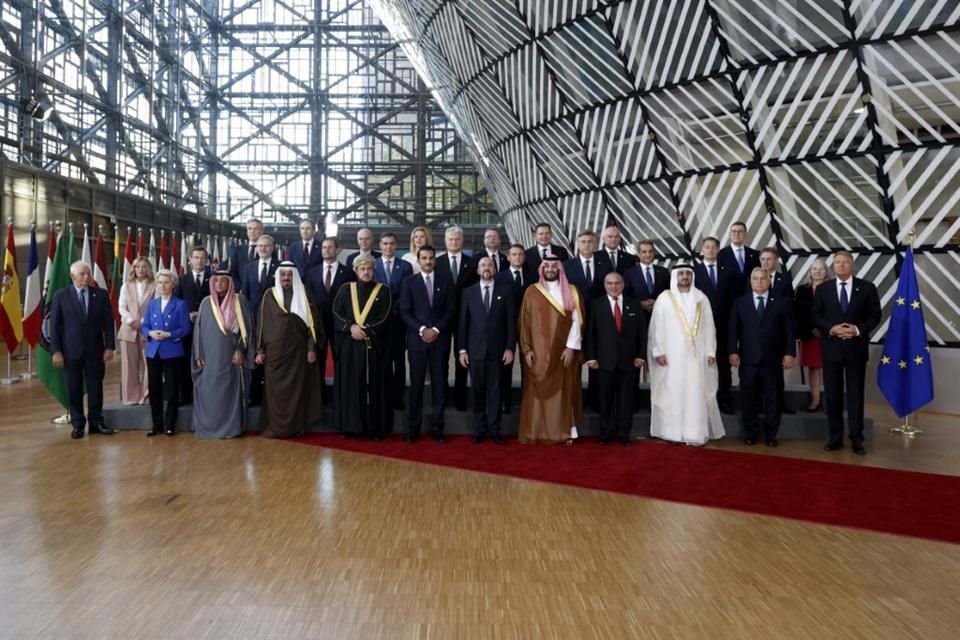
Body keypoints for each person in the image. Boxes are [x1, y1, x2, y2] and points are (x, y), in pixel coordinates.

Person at [647, 262, 724, 445]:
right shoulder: (665, 298)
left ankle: (694, 432)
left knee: (695, 392)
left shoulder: (701, 298)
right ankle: (671, 432)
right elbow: (657, 327)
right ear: (675, 276)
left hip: (696, 356)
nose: (684, 277)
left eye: (687, 273)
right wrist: (658, 351)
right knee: (672, 392)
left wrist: (711, 351)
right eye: (681, 273)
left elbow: (709, 326)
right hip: (671, 356)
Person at [812, 251, 881, 455]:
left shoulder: (867, 287)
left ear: (852, 264)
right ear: (833, 266)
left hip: (856, 349)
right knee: (832, 396)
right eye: (837, 262)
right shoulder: (823, 289)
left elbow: (875, 314)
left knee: (855, 396)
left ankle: (857, 439)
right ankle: (835, 438)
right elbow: (815, 315)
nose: (840, 265)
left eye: (845, 262)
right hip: (831, 348)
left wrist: (857, 329)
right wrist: (832, 329)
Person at [517, 256, 583, 445]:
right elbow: (524, 322)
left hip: (563, 352)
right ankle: (537, 432)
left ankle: (564, 433)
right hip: (538, 352)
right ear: (542, 269)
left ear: (560, 269)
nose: (551, 269)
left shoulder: (571, 291)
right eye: (547, 266)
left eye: (555, 266)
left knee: (563, 391)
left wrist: (571, 348)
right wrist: (527, 348)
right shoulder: (532, 291)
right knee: (537, 393)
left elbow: (576, 322)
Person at [728, 268, 796, 447]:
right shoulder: (739, 303)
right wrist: (732, 351)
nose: (759, 282)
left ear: (769, 281)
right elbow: (733, 330)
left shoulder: (782, 303)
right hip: (748, 361)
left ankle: (771, 434)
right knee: (748, 399)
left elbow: (789, 331)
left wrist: (790, 353)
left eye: (762, 279)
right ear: (750, 282)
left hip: (773, 361)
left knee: (773, 399)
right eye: (755, 279)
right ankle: (751, 432)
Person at [255, 262, 324, 438]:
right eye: (283, 275)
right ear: (278, 276)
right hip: (274, 354)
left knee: (296, 392)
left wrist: (311, 348)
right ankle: (276, 427)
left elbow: (312, 325)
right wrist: (260, 350)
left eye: (289, 275)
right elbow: (261, 325)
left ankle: (296, 427)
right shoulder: (269, 295)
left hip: (298, 353)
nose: (286, 278)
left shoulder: (304, 294)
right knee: (275, 393)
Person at [50, 261, 118, 439]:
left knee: (96, 388)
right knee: (74, 388)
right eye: (82, 274)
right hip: (70, 351)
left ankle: (96, 422)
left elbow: (109, 324)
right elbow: (54, 326)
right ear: (73, 276)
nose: (86, 277)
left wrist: (110, 346)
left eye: (88, 274)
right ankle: (78, 424)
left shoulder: (101, 295)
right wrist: (56, 351)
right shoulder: (61, 296)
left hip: (95, 351)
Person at [399, 245, 456, 443]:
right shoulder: (409, 283)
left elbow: (451, 310)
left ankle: (438, 428)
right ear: (419, 259)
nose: (428, 261)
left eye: (431, 258)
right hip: (417, 342)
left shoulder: (446, 282)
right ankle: (413, 428)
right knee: (415, 386)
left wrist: (436, 330)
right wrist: (423, 330)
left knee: (440, 386)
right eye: (424, 258)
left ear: (435, 260)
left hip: (440, 342)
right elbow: (405, 311)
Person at [332, 255, 393, 439]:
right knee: (351, 386)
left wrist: (365, 330)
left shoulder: (384, 291)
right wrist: (350, 327)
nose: (366, 272)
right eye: (362, 269)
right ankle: (350, 426)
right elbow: (336, 312)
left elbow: (385, 317)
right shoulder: (345, 289)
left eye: (369, 269)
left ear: (374, 270)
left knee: (373, 387)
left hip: (373, 346)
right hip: (350, 346)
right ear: (356, 271)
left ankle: (374, 428)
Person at [457, 257, 516, 444]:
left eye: (490, 265)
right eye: (483, 265)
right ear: (478, 270)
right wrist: (462, 350)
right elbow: (463, 324)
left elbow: (511, 323)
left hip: (498, 353)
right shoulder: (468, 292)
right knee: (477, 392)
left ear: (495, 269)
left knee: (495, 392)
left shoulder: (506, 291)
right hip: (474, 352)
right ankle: (480, 429)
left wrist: (509, 348)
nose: (486, 268)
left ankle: (495, 429)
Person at [584, 272, 647, 445]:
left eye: (617, 283)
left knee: (626, 402)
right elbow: (590, 333)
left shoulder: (634, 304)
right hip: (604, 362)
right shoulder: (596, 304)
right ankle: (606, 435)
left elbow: (643, 333)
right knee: (605, 401)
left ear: (623, 284)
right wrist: (591, 358)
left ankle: (623, 435)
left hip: (629, 363)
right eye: (610, 283)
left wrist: (641, 356)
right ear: (605, 285)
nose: (614, 286)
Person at [191, 271, 256, 439]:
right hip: (210, 359)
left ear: (230, 282)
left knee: (230, 393)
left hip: (232, 358)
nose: (219, 283)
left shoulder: (239, 301)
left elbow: (247, 330)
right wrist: (199, 354)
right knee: (210, 392)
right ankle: (210, 427)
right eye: (216, 280)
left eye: (223, 280)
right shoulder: (206, 303)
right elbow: (198, 331)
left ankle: (231, 428)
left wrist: (241, 350)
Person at [305, 237, 356, 403]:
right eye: (324, 247)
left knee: (340, 359)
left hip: (340, 325)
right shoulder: (312, 272)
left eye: (330, 247)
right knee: (317, 360)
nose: (326, 250)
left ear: (337, 249)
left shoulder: (348, 273)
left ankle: (340, 396)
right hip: (317, 324)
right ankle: (317, 398)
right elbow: (308, 300)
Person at [141, 269, 192, 437]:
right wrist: (150, 333)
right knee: (154, 388)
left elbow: (186, 328)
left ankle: (169, 425)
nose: (163, 286)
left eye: (166, 282)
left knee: (171, 389)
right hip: (153, 350)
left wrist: (170, 334)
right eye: (160, 282)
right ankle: (156, 424)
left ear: (173, 284)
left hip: (172, 350)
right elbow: (145, 325)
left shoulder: (180, 304)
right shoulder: (152, 304)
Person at [435, 225, 478, 411]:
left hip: (465, 318)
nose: (454, 242)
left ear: (462, 241)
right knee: (441, 359)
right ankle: (442, 396)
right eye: (451, 239)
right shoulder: (437, 262)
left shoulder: (472, 262)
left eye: (457, 239)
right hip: (442, 318)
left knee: (462, 358)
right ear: (445, 241)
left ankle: (460, 398)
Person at [694, 236, 737, 413]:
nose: (710, 250)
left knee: (723, 363)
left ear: (718, 250)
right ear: (702, 250)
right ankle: (703, 400)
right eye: (707, 247)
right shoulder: (694, 271)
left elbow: (734, 298)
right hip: (701, 327)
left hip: (724, 325)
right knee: (702, 363)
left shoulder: (729, 270)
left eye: (713, 247)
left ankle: (724, 399)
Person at [374, 233, 413, 410]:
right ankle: (383, 396)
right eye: (385, 244)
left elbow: (406, 293)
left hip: (397, 321)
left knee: (398, 360)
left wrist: (393, 310)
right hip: (378, 322)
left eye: (391, 243)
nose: (388, 247)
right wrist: (382, 313)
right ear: (380, 246)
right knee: (382, 360)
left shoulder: (404, 266)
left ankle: (398, 398)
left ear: (396, 245)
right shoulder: (372, 265)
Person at [174, 245, 211, 405]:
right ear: (190, 260)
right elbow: (176, 303)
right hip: (187, 328)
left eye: (203, 258)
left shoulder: (214, 279)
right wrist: (187, 315)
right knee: (185, 361)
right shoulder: (181, 280)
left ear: (207, 260)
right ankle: (186, 395)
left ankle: (206, 394)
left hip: (208, 327)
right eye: (196, 257)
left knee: (207, 360)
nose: (199, 261)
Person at [495, 243, 529, 414]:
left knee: (528, 364)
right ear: (508, 257)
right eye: (514, 254)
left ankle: (527, 402)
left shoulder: (532, 277)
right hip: (504, 328)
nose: (517, 257)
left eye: (520, 254)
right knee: (504, 365)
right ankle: (504, 402)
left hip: (527, 327)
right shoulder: (499, 278)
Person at [117, 256, 155, 405]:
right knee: (129, 366)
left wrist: (143, 323)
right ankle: (131, 398)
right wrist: (130, 321)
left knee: (149, 365)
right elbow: (121, 307)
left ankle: (145, 397)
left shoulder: (155, 286)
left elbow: (156, 307)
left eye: (144, 266)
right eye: (137, 266)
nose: (140, 269)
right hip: (128, 330)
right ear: (133, 268)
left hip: (148, 330)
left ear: (149, 269)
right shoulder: (126, 286)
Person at [794, 259, 829, 412]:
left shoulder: (832, 289)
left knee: (830, 368)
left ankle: (830, 401)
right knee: (814, 368)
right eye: (814, 268)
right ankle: (815, 400)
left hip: (829, 335)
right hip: (809, 335)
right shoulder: (802, 290)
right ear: (810, 272)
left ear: (826, 272)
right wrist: (812, 329)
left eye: (821, 269)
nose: (817, 271)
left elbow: (835, 313)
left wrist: (824, 329)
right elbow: (799, 314)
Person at [624, 240, 669, 318]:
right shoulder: (629, 273)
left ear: (654, 252)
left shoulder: (663, 272)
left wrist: (658, 302)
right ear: (638, 254)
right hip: (638, 318)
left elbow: (669, 294)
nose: (648, 255)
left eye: (650, 251)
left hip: (661, 316)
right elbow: (625, 297)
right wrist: (640, 304)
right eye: (644, 252)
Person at [564, 229, 608, 303]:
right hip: (578, 307)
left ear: (595, 244)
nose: (586, 245)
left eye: (590, 242)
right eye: (583, 242)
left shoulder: (605, 263)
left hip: (601, 307)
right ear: (577, 244)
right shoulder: (567, 265)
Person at [718, 221, 760, 295]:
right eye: (734, 231)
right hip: (729, 300)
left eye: (740, 231)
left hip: (750, 298)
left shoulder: (754, 254)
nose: (736, 234)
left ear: (745, 234)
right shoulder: (720, 255)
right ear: (729, 235)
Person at [241, 234, 280, 311]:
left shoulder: (280, 267)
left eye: (267, 246)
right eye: (260, 246)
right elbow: (245, 292)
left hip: (274, 311)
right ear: (257, 248)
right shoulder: (248, 268)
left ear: (272, 248)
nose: (263, 249)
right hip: (253, 312)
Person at [229, 218, 264, 287]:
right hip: (241, 292)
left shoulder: (267, 249)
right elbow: (233, 272)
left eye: (255, 229)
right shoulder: (238, 250)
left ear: (261, 231)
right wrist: (239, 289)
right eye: (249, 229)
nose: (252, 231)